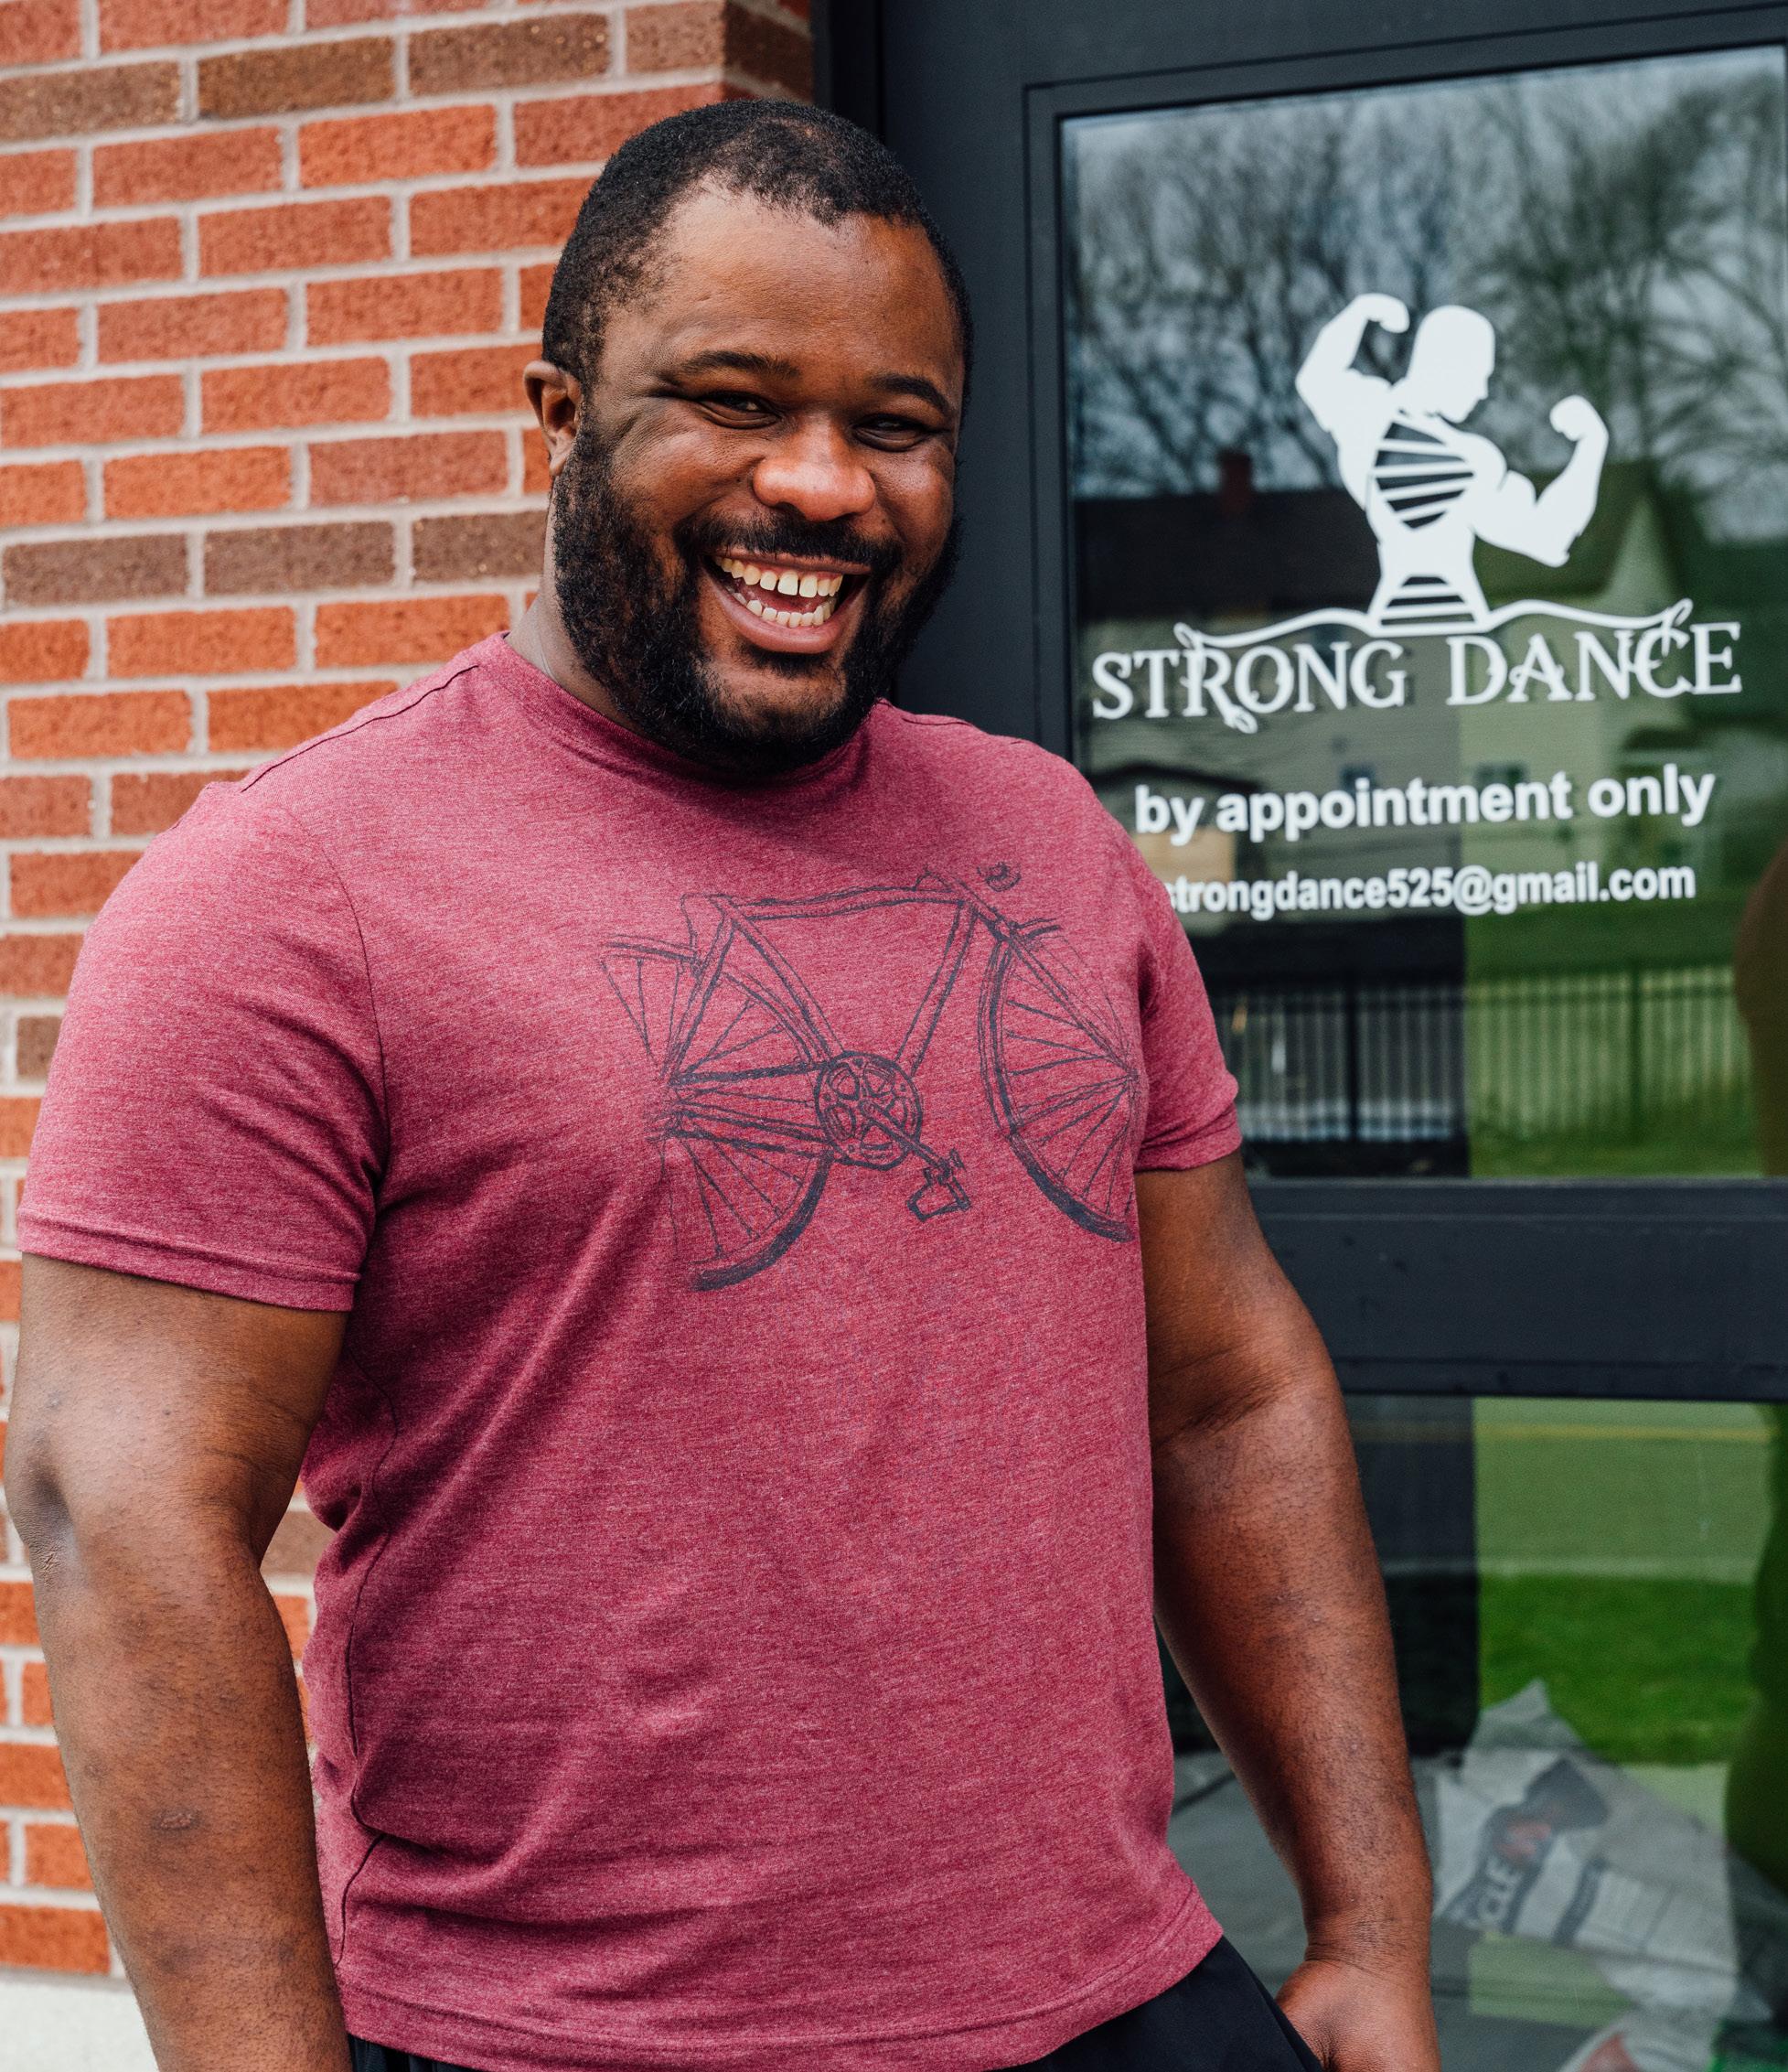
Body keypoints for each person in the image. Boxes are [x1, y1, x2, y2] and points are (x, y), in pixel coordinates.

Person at [4, 102, 1440, 2072]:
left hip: (1119, 1996)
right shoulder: (288, 887)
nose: (822, 483)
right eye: (735, 402)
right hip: (567, 2034)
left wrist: (1368, 1923)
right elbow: (122, 1513)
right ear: (561, 412)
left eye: (896, 424)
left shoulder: (1048, 840)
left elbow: (1224, 1395)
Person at [1295, 291, 1609, 630]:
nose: (1483, 393)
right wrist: (1591, 445)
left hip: (1412, 623)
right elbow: (1546, 535)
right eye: (1480, 376)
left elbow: (1318, 379)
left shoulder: (1366, 417)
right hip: (1454, 623)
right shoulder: (1471, 461)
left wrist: (1360, 313)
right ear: (1450, 366)